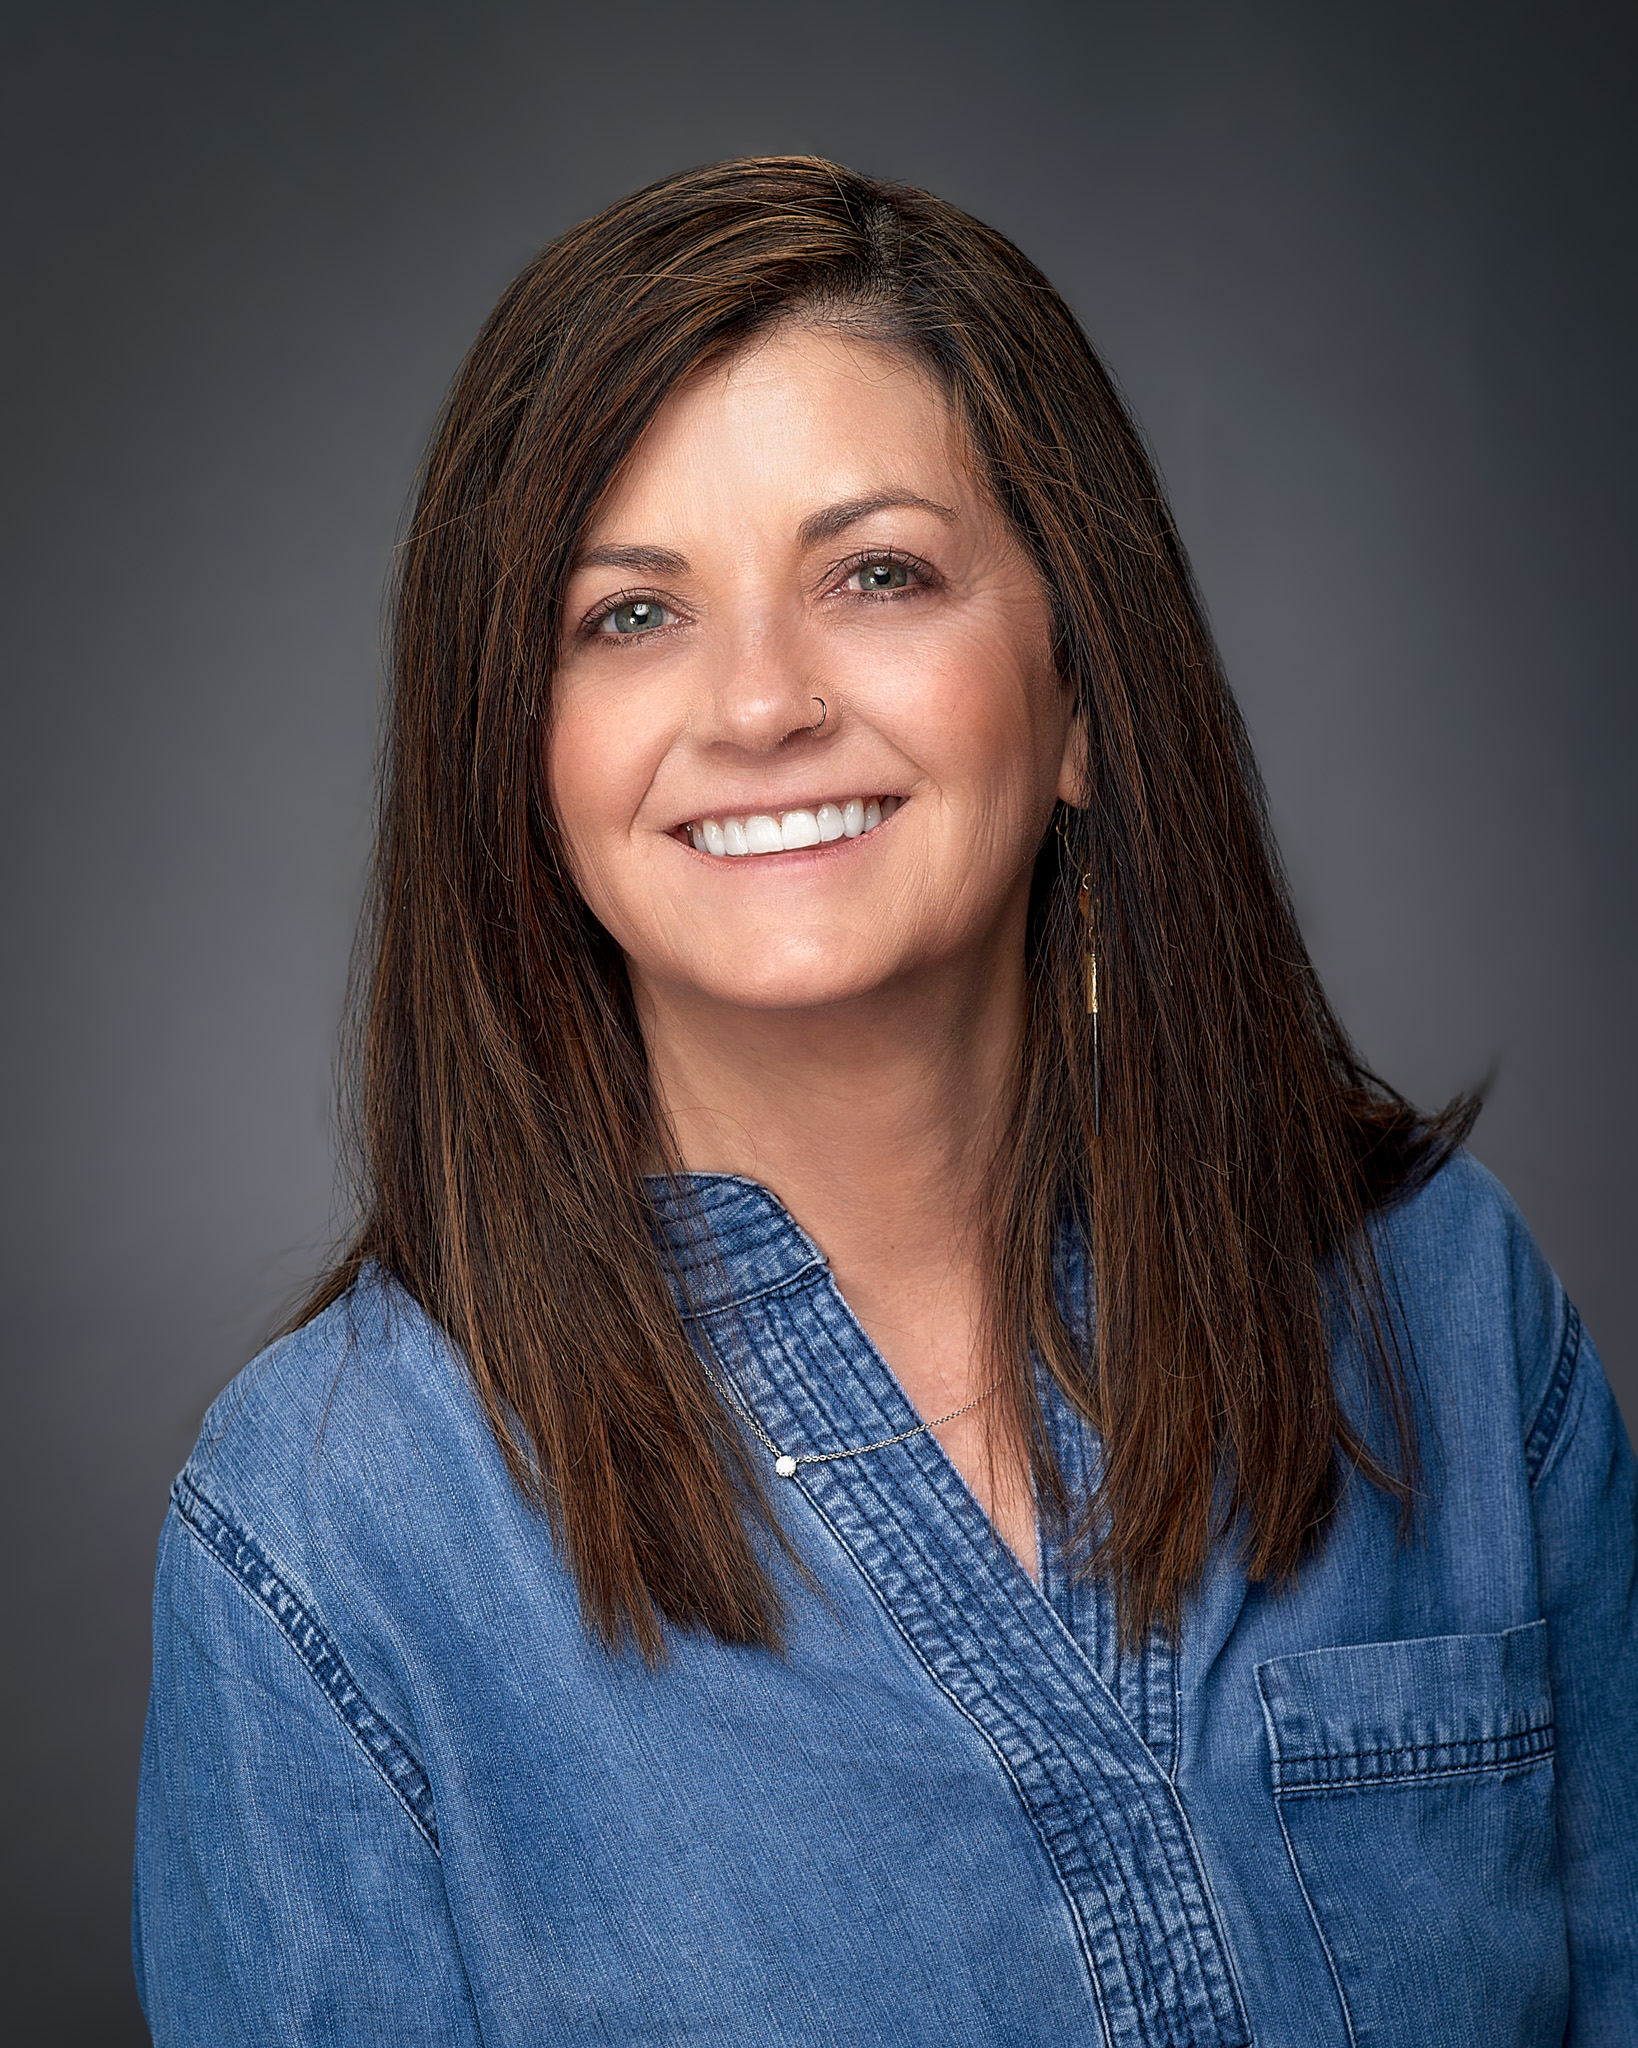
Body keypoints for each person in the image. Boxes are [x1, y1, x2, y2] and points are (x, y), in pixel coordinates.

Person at [132, 157, 1637, 2047]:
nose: (760, 703)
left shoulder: (1439, 1308)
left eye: (876, 574)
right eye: (627, 615)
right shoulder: (326, 1535)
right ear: (520, 758)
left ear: (1080, 697)